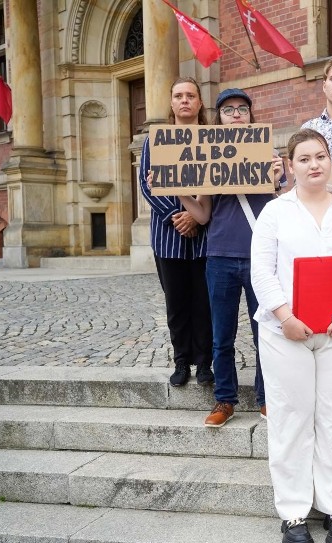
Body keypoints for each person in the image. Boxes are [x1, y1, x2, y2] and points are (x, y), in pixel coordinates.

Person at [250, 129, 332, 543]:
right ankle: (294, 512)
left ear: (330, 159)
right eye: (303, 159)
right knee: (291, 417)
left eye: (320, 156)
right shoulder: (275, 213)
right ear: (290, 165)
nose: (314, 164)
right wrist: (284, 316)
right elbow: (261, 272)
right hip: (287, 333)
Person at [176, 88, 285, 428]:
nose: (236, 114)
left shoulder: (268, 153)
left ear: (251, 116)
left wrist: (282, 177)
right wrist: (176, 188)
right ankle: (225, 399)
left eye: (242, 109)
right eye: (228, 110)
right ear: (219, 118)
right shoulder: (208, 157)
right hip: (220, 255)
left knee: (264, 332)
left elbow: (284, 202)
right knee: (221, 335)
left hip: (261, 256)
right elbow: (203, 214)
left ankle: (267, 399)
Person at [139, 77, 213, 388]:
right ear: (171, 103)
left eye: (190, 95)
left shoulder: (212, 140)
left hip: (205, 237)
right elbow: (147, 183)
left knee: (204, 302)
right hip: (167, 236)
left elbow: (220, 182)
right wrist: (176, 217)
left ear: (199, 103)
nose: (184, 100)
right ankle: (181, 360)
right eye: (178, 95)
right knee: (177, 302)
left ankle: (205, 362)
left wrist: (196, 218)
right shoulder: (154, 141)